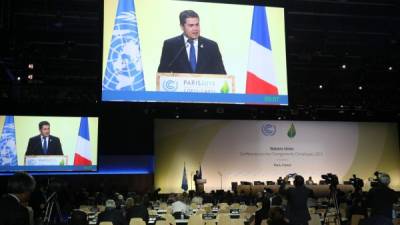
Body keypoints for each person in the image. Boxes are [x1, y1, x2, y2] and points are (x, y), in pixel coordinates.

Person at [158, 10, 226, 75]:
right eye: (191, 25)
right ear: (182, 27)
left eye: (197, 24)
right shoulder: (170, 45)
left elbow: (222, 75)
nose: (195, 29)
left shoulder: (211, 46)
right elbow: (162, 74)